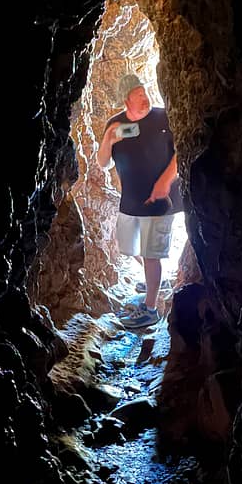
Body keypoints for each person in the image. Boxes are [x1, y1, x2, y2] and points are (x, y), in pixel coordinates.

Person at [97, 73, 183, 329]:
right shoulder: (115, 124)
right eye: (138, 96)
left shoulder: (163, 117)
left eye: (145, 93)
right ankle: (155, 280)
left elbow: (181, 150)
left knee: (150, 253)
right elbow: (102, 163)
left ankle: (150, 309)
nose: (145, 99)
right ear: (126, 100)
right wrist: (108, 140)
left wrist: (165, 181)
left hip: (161, 199)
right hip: (131, 200)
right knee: (131, 248)